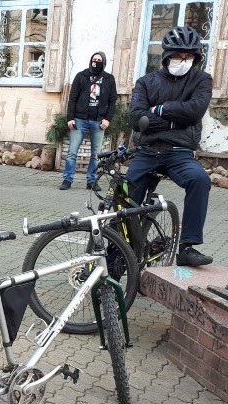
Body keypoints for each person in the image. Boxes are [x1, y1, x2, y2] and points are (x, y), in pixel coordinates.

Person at [127, 25, 213, 267]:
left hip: (180, 153)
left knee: (200, 180)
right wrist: (178, 120)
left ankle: (187, 247)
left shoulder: (202, 80)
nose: (183, 61)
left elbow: (195, 112)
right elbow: (137, 120)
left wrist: (160, 110)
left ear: (196, 57)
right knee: (125, 199)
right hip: (147, 151)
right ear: (166, 56)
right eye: (178, 56)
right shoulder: (146, 82)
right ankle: (117, 252)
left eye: (189, 57)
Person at [60, 51, 117, 190]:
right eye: (94, 59)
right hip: (80, 120)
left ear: (103, 62)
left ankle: (92, 181)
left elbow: (112, 101)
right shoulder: (81, 76)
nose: (96, 62)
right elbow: (72, 98)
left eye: (99, 60)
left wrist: (107, 119)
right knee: (72, 152)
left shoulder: (109, 79)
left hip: (98, 122)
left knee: (96, 155)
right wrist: (70, 118)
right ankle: (67, 180)